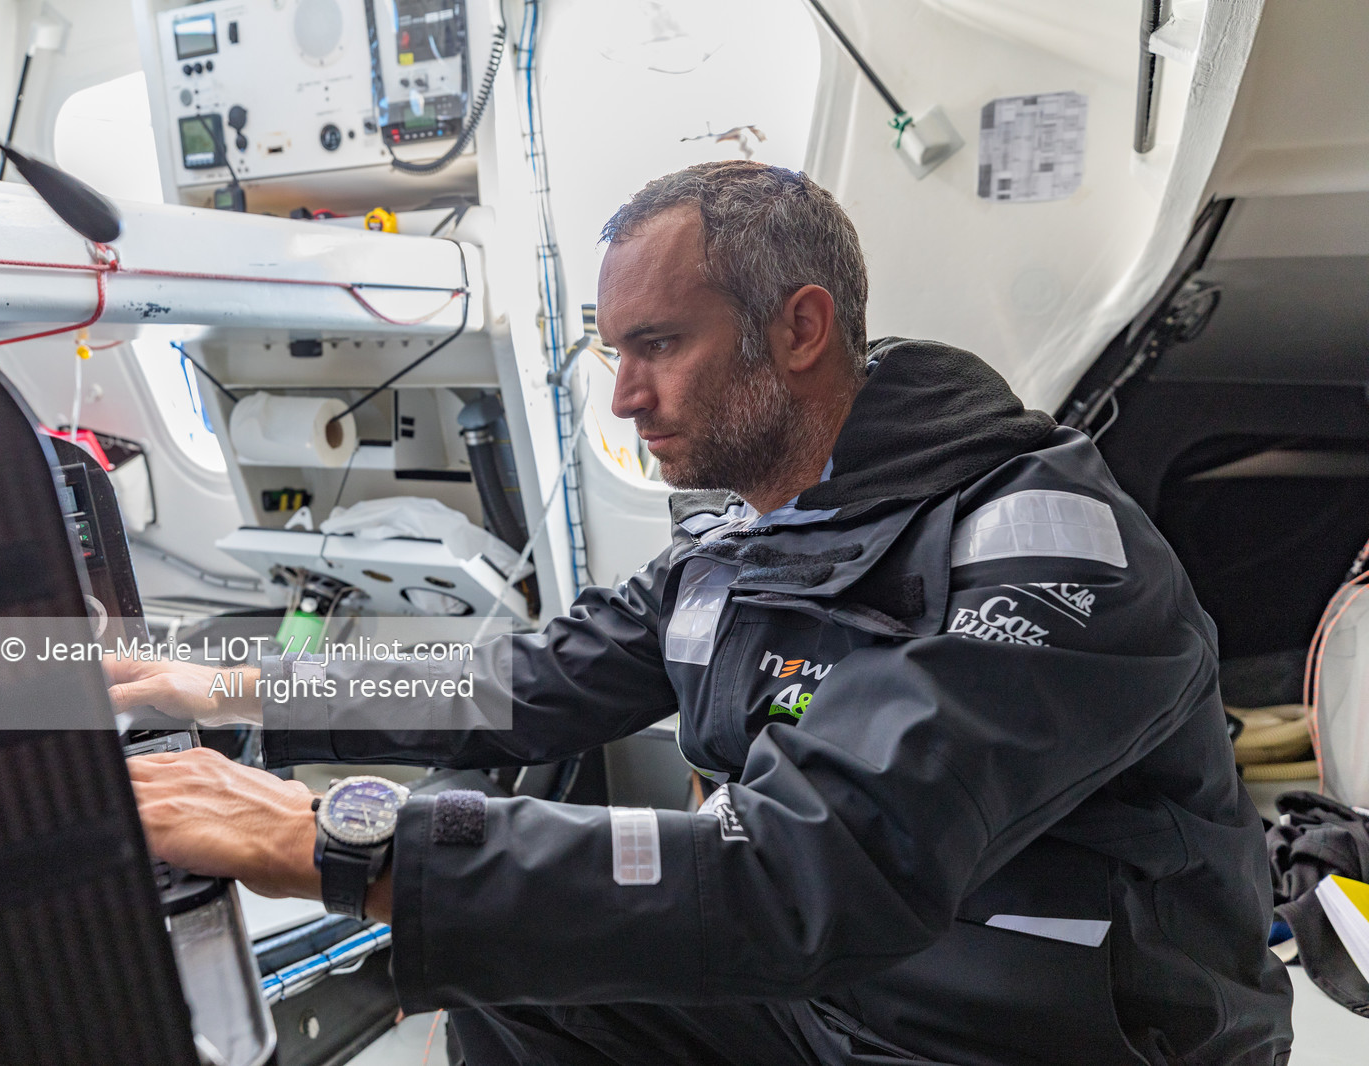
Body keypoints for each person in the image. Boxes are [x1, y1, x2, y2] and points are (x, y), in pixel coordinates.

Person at [115, 161, 1293, 1065]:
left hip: (1047, 1033)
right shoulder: (734, 545)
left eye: (660, 346)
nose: (625, 395)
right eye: (612, 352)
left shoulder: (1043, 547)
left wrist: (331, 838)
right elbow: (524, 682)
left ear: (798, 328)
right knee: (508, 970)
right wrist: (232, 687)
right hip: (837, 999)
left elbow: (809, 863)